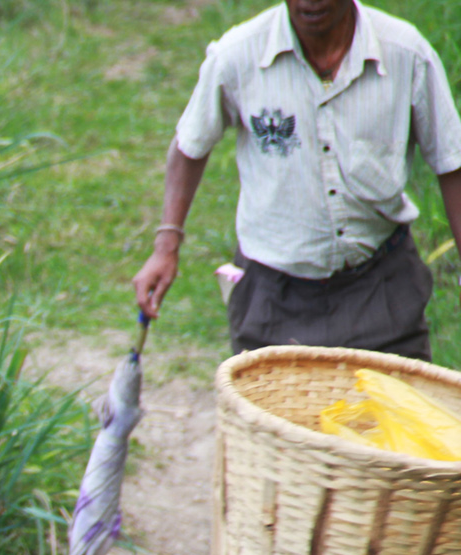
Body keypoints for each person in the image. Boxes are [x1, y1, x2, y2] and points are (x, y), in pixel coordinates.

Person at [131, 0, 461, 357]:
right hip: (273, 298)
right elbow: (188, 147)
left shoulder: (405, 53)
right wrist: (166, 246)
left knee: (396, 410)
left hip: (381, 289)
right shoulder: (239, 55)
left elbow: (451, 162)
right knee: (269, 413)